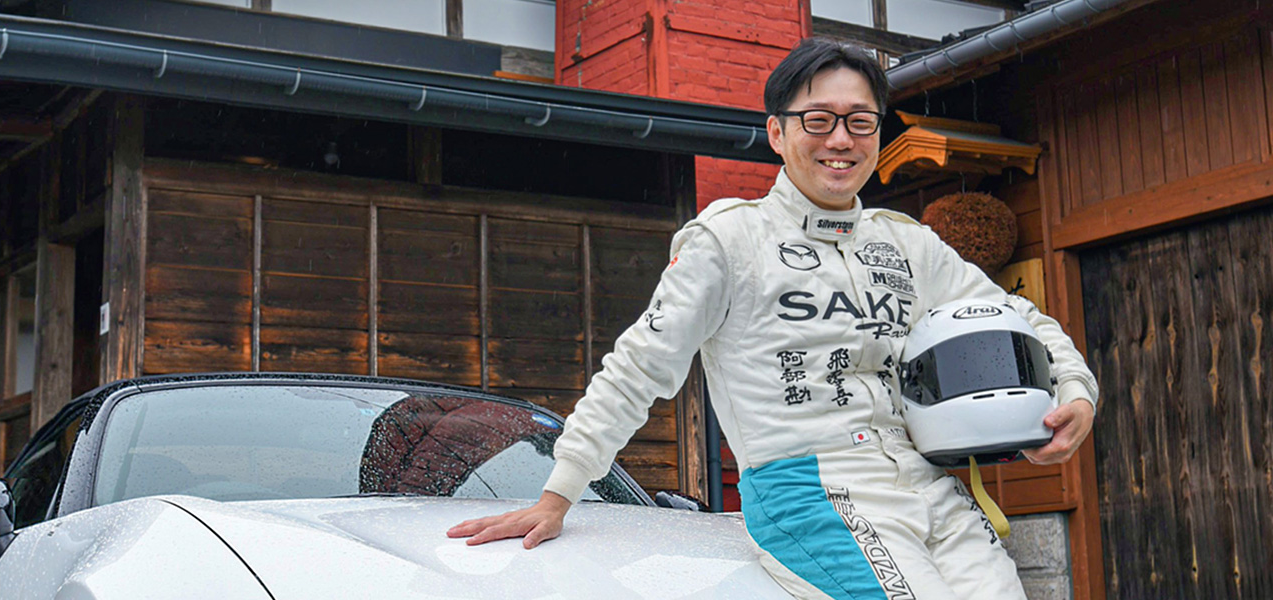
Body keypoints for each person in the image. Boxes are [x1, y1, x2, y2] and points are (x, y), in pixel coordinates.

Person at [448, 37, 1098, 600]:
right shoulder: (730, 239)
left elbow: (1016, 315)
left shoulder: (907, 243)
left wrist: (1075, 391)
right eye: (818, 120)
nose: (840, 140)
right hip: (809, 490)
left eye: (860, 122)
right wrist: (560, 492)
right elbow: (641, 365)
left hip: (930, 485)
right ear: (778, 133)